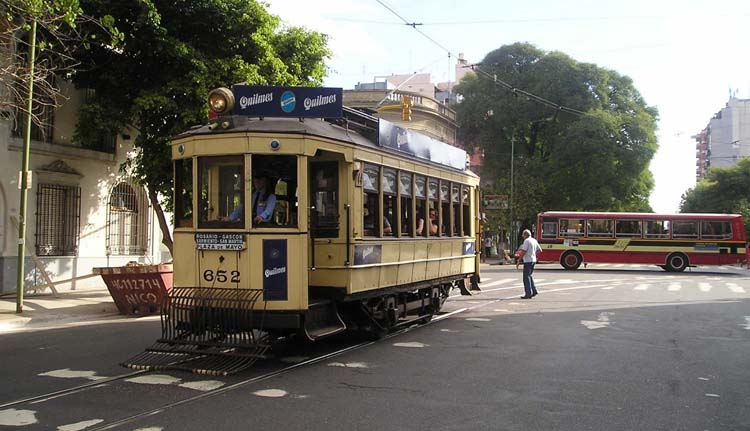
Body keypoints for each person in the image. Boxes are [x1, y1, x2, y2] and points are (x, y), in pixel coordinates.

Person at [517, 229, 542, 299]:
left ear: (525, 235)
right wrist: (533, 254)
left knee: (526, 277)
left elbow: (523, 251)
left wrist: (519, 260)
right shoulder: (534, 240)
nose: (522, 236)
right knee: (529, 276)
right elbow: (539, 250)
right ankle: (534, 290)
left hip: (527, 260)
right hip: (533, 260)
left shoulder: (526, 241)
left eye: (523, 234)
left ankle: (528, 293)